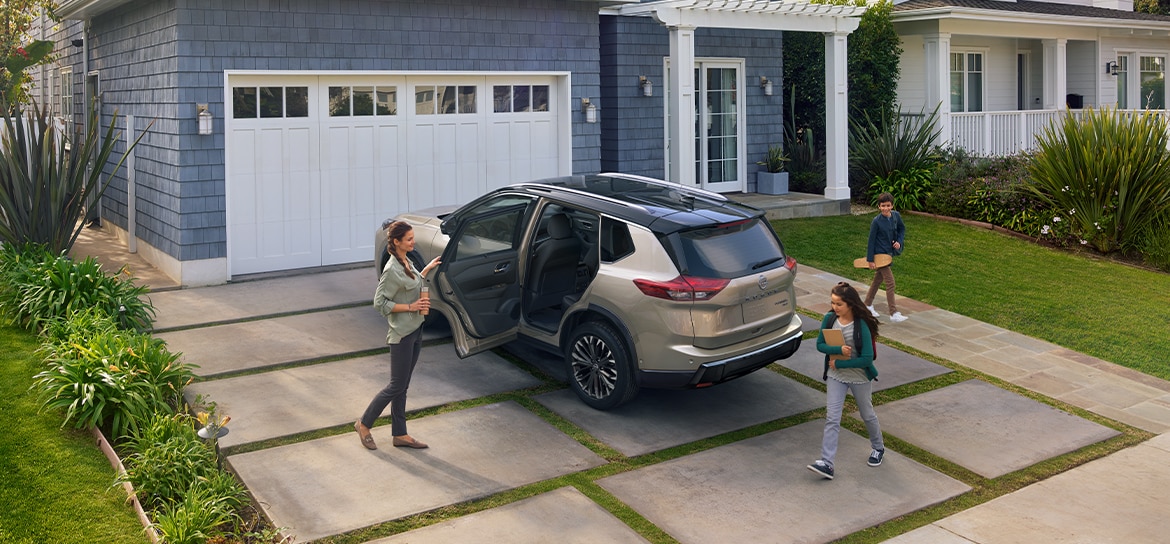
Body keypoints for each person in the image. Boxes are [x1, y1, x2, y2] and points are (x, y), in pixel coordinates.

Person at [355, 220, 441, 451]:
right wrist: (411, 307)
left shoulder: (406, 260)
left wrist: (427, 269)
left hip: (415, 329)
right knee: (395, 385)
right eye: (410, 239)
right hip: (402, 334)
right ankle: (364, 424)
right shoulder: (392, 269)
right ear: (396, 242)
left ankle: (400, 434)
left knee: (403, 385)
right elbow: (379, 302)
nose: (413, 242)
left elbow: (411, 283)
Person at [807, 282, 885, 480]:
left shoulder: (862, 325)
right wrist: (837, 351)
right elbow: (820, 345)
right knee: (832, 418)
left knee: (867, 415)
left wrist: (841, 363)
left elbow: (867, 358)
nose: (834, 307)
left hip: (859, 378)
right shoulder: (829, 318)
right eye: (833, 303)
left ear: (850, 304)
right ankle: (827, 463)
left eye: (839, 304)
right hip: (836, 377)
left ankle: (878, 447)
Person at [864, 192, 907, 323]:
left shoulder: (896, 216)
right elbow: (871, 241)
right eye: (883, 206)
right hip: (879, 255)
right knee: (890, 283)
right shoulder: (876, 221)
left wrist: (898, 241)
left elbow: (901, 229)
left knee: (877, 281)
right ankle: (893, 313)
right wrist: (870, 259)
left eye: (888, 205)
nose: (885, 208)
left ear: (892, 206)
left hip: (889, 254)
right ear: (879, 206)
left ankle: (867, 305)